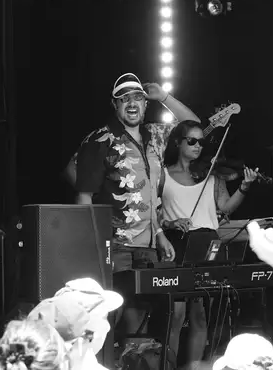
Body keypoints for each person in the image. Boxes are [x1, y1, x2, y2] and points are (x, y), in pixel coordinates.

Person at [73, 73, 200, 349]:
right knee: (110, 319)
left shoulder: (154, 136)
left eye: (138, 98)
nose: (132, 103)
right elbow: (84, 196)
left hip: (148, 246)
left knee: (138, 322)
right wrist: (92, 247)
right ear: (114, 104)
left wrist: (164, 97)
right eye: (124, 99)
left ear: (145, 104)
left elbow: (194, 128)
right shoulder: (99, 141)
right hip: (114, 246)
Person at [159, 120, 263, 366]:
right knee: (176, 315)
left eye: (201, 142)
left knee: (201, 315)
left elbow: (226, 207)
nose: (197, 146)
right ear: (178, 142)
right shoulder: (162, 174)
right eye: (191, 141)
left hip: (207, 244)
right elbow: (155, 215)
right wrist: (170, 224)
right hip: (177, 244)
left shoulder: (211, 174)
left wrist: (245, 187)